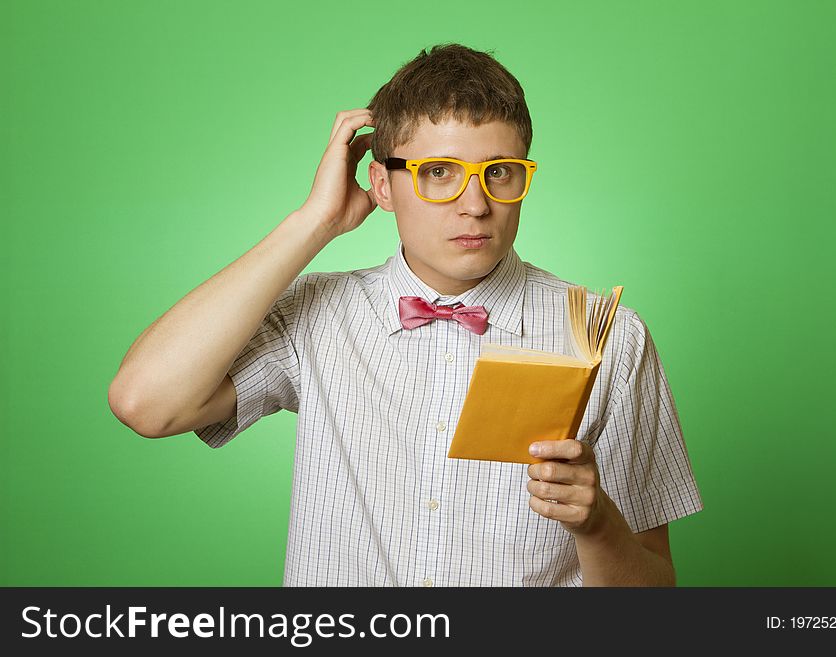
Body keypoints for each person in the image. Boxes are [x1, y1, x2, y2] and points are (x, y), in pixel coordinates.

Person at [109, 43, 703, 587]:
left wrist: (597, 524)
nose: (475, 204)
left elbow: (652, 599)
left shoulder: (609, 337)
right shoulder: (316, 316)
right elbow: (146, 404)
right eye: (436, 172)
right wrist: (314, 223)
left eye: (499, 172)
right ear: (382, 185)